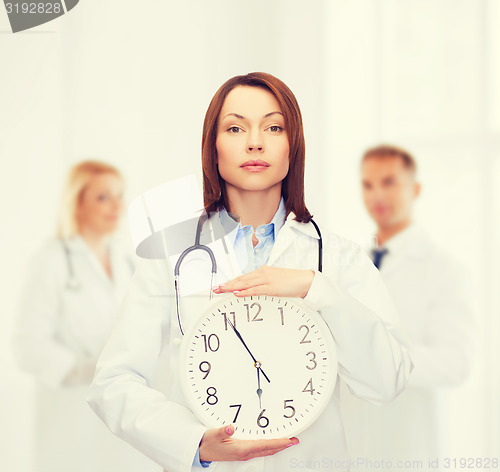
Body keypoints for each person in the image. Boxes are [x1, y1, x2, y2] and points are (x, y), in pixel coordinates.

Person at [87, 73, 413, 472]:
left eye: (273, 127)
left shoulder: (337, 257)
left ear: (293, 147)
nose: (254, 142)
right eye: (235, 127)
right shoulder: (171, 257)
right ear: (214, 147)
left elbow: (389, 379)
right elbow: (113, 382)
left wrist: (317, 289)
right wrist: (195, 443)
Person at [13, 161, 160, 472]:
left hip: (121, 413)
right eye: (103, 197)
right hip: (70, 411)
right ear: (77, 203)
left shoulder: (127, 262)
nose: (116, 205)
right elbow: (27, 346)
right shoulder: (50, 261)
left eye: (120, 195)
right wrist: (83, 369)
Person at [340, 145, 475, 467]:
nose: (377, 196)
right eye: (368, 185)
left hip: (406, 443)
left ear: (414, 189)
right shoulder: (351, 261)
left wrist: (381, 357)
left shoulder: (443, 268)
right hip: (350, 439)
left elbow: (456, 362)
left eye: (389, 182)